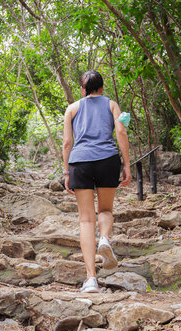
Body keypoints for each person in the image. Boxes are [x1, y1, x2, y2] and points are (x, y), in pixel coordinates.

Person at [62, 70, 131, 293]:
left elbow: (66, 143)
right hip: (107, 160)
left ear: (83, 89)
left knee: (85, 221)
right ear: (102, 87)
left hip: (80, 162)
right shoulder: (112, 105)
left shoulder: (72, 109)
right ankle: (105, 238)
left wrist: (66, 172)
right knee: (105, 210)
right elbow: (120, 132)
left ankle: (91, 279)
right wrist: (127, 165)